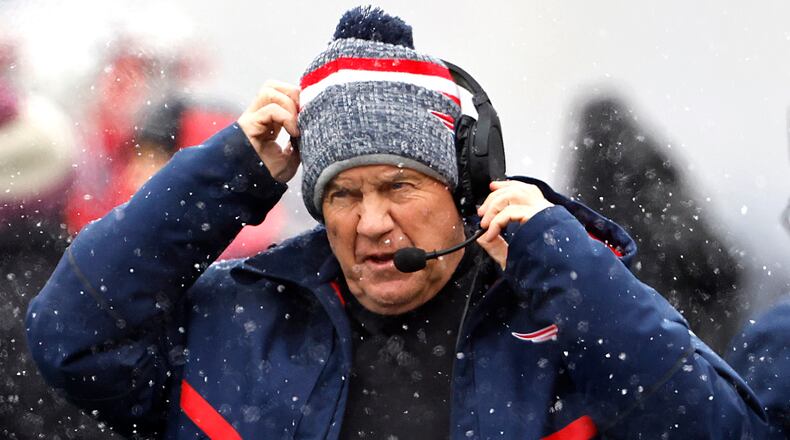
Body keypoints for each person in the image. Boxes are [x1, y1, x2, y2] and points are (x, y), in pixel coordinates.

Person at [27, 6, 769, 439]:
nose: (372, 221)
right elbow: (71, 336)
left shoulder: (561, 332)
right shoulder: (241, 325)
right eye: (343, 194)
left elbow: (718, 428)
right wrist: (226, 173)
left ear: (467, 185)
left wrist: (568, 268)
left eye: (399, 186)